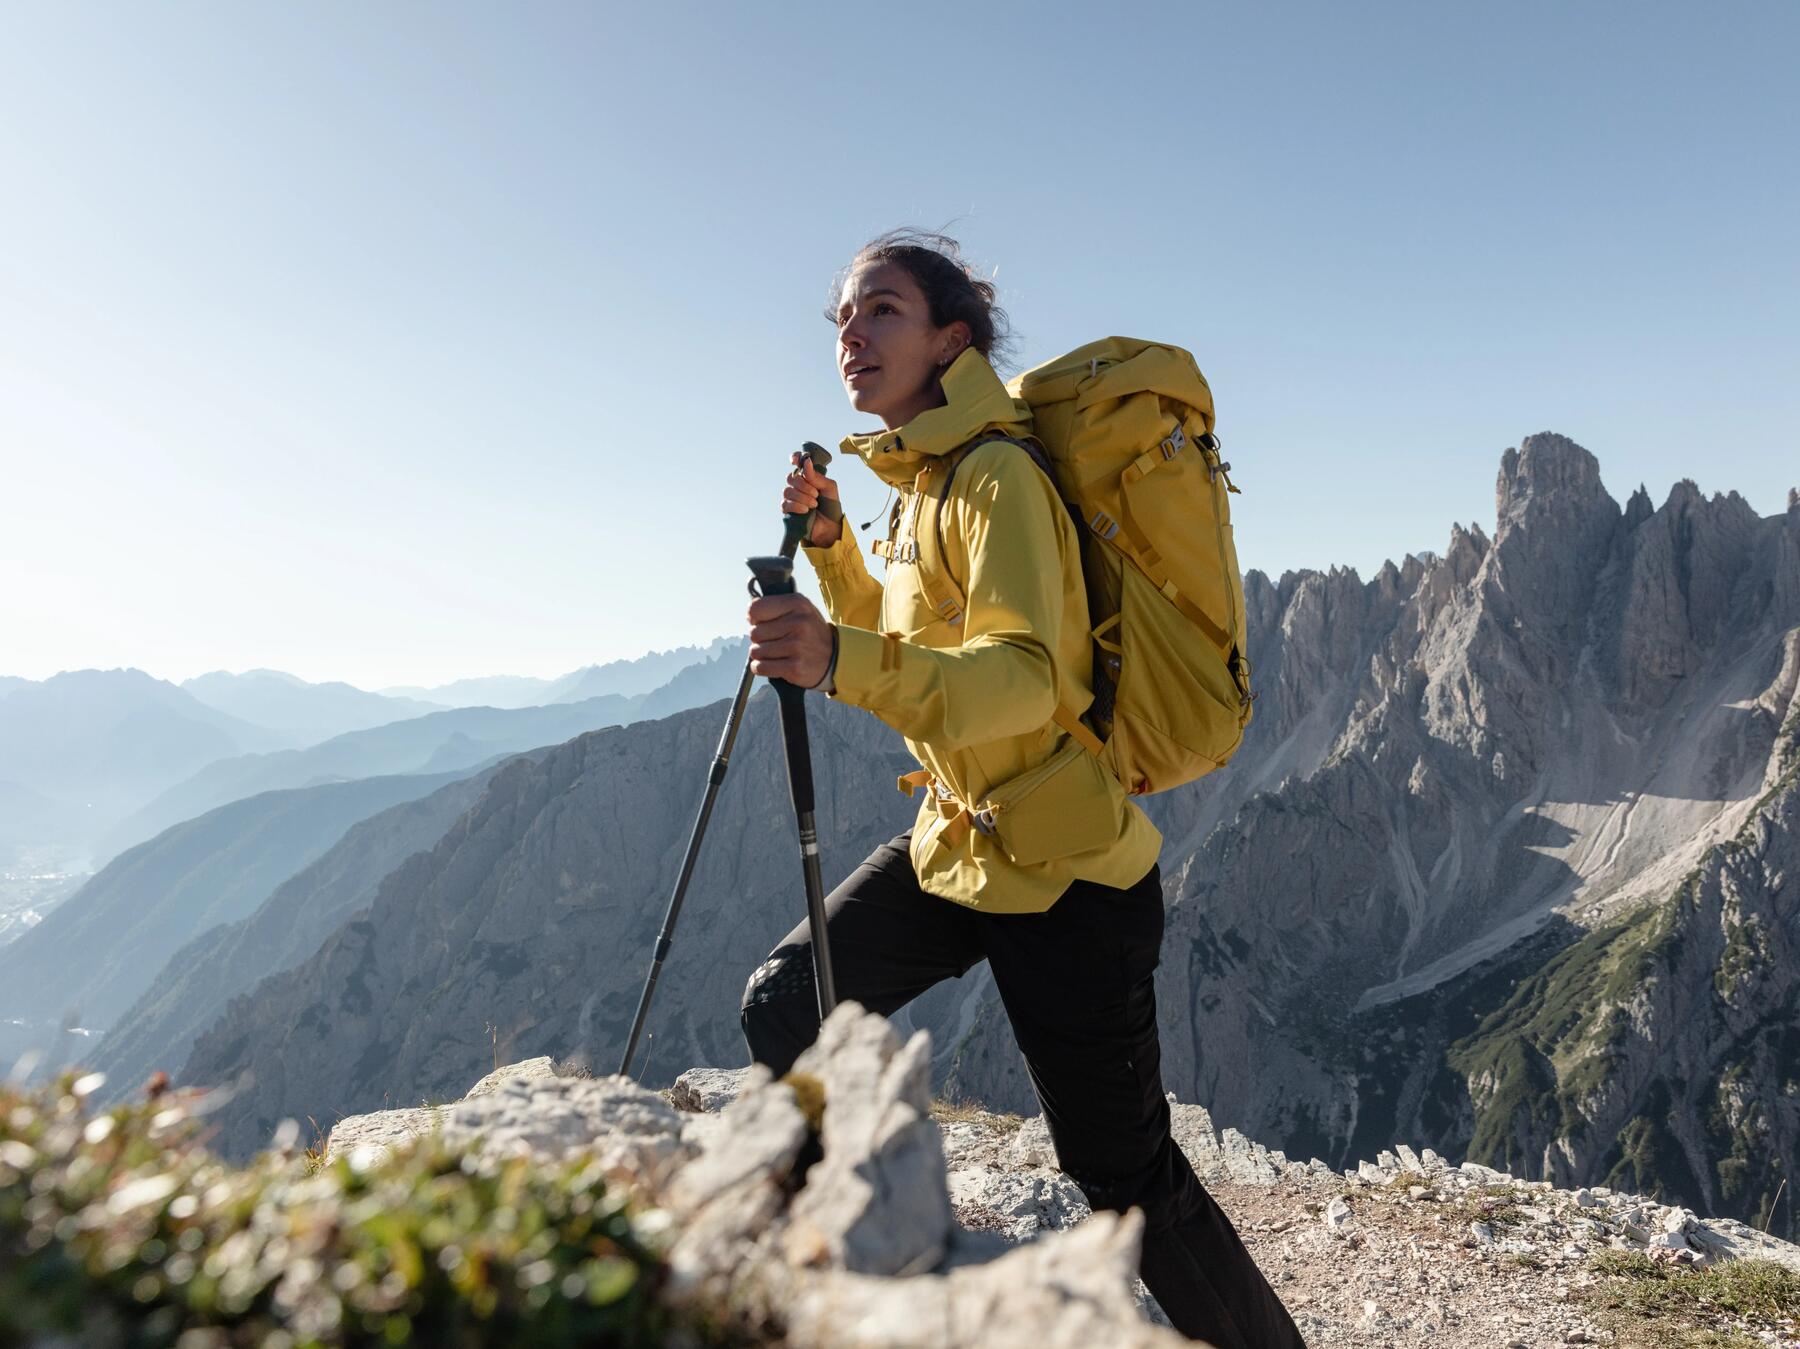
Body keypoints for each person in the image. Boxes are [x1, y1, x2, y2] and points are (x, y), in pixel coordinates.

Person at [741, 228, 1305, 1348]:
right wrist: (832, 547)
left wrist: (838, 662)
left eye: (882, 311)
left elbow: (1020, 681)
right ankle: (841, 1277)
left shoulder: (995, 475)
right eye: (842, 320)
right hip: (958, 848)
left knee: (1124, 1174)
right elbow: (904, 632)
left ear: (954, 337)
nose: (852, 335)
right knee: (783, 1002)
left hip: (1067, 880)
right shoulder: (924, 482)